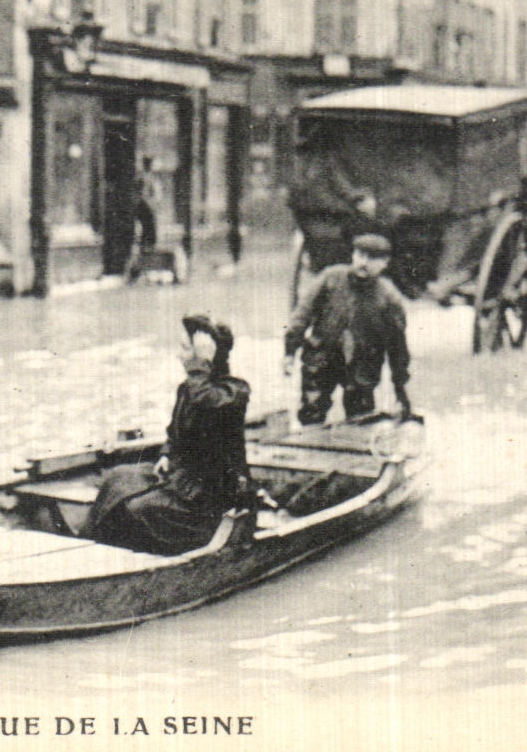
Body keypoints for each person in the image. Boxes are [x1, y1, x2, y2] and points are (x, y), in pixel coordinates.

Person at [86, 315, 251, 556]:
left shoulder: (233, 392)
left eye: (185, 349)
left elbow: (207, 400)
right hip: (181, 476)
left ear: (206, 357)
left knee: (139, 508)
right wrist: (166, 455)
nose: (178, 355)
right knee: (117, 479)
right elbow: (174, 433)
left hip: (213, 493)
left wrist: (201, 362)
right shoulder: (188, 388)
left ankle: (153, 551)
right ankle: (95, 543)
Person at [284, 232, 412, 426]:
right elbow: (302, 315)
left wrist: (400, 388)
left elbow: (397, 345)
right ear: (353, 255)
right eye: (360, 255)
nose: (364, 263)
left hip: (363, 365)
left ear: (385, 263)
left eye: (372, 258)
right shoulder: (330, 278)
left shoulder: (388, 296)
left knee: (361, 418)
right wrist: (289, 352)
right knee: (311, 412)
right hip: (322, 359)